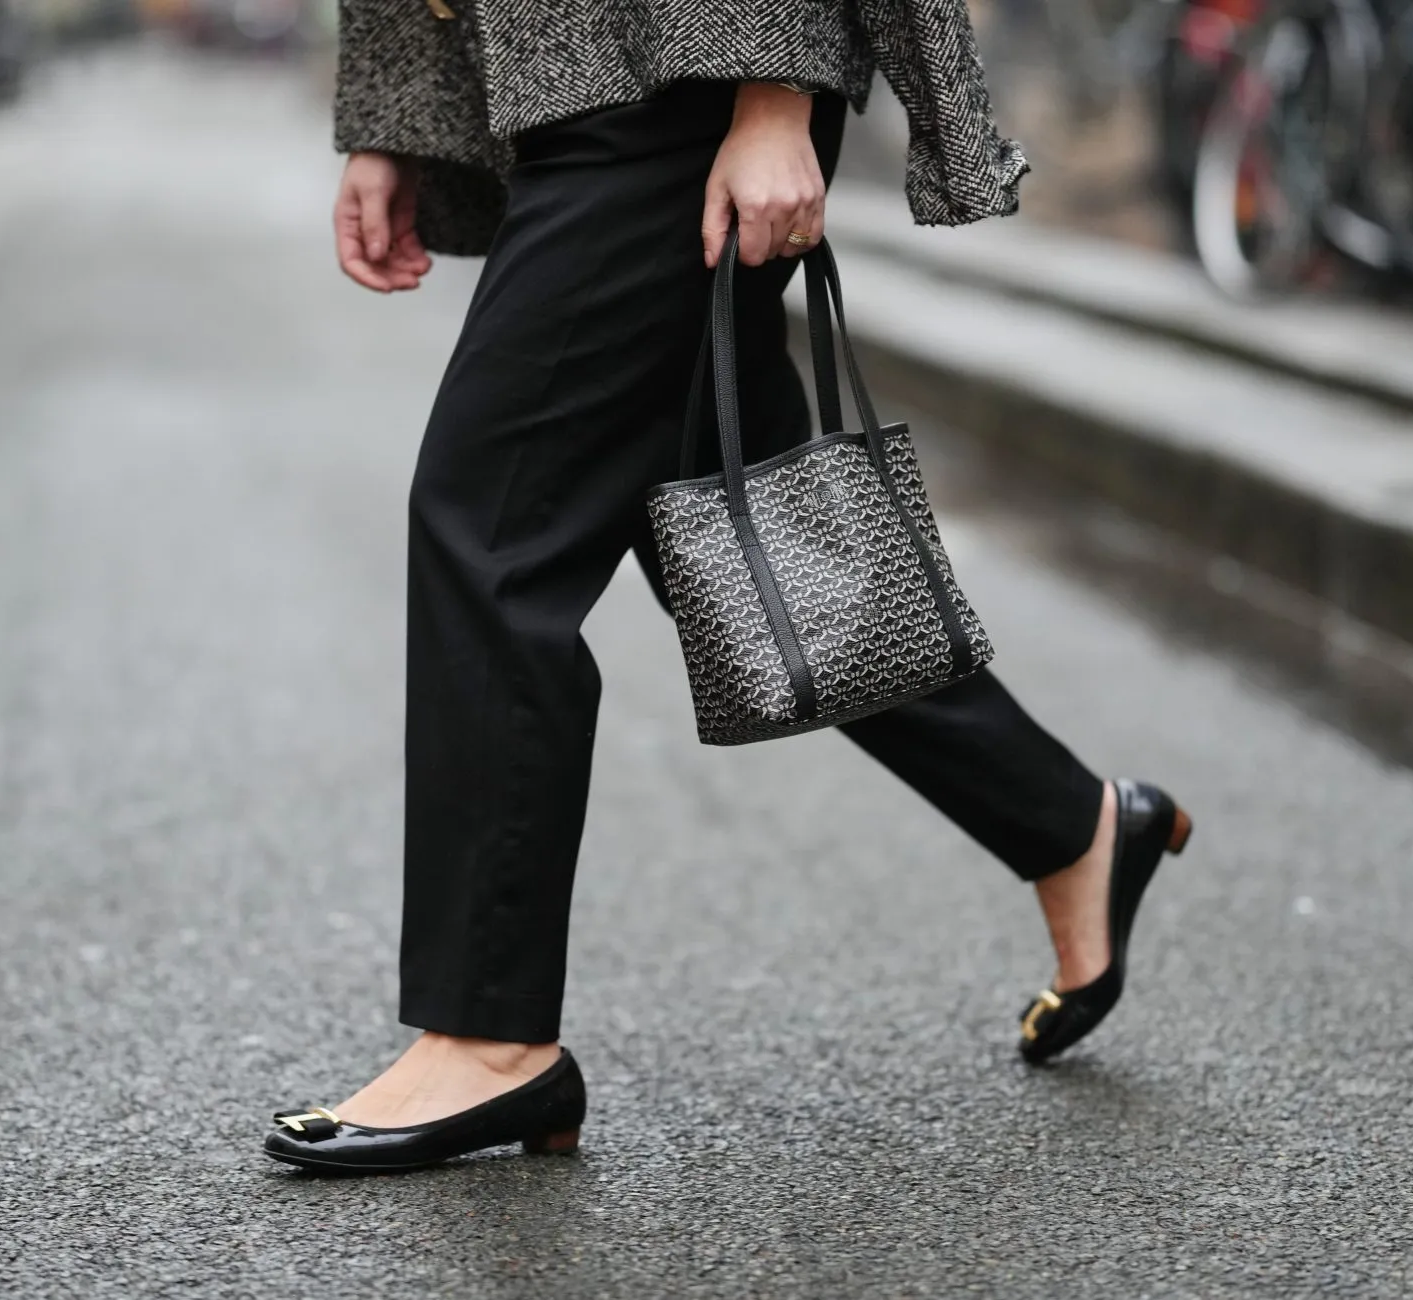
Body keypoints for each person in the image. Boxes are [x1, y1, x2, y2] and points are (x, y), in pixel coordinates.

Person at [262, 0, 1193, 1175]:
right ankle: (1072, 825)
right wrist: (399, 117)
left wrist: (769, 92)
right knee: (768, 567)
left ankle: (492, 1038)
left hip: (663, 92)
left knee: (487, 536)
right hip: (590, 88)